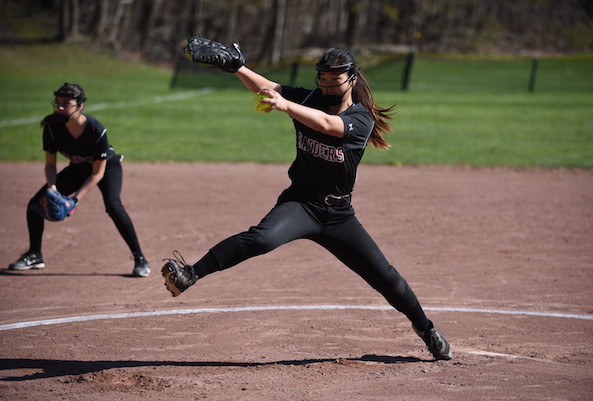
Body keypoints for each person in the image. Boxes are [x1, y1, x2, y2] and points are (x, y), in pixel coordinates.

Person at [162, 42, 451, 360]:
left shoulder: (360, 119)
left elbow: (327, 125)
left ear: (352, 79)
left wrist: (286, 106)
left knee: (386, 278)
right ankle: (190, 274)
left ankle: (426, 329)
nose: (327, 85)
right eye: (323, 79)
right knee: (263, 238)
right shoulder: (311, 98)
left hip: (339, 216)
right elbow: (268, 86)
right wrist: (236, 67)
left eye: (334, 79)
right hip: (301, 204)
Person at [8, 83, 151, 277]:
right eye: (58, 103)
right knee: (35, 203)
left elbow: (97, 173)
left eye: (66, 104)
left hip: (107, 168)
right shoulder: (52, 128)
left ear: (80, 106)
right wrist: (52, 189)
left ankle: (140, 259)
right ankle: (35, 254)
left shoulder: (95, 129)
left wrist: (74, 199)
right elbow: (51, 165)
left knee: (113, 205)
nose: (60, 107)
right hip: (78, 169)